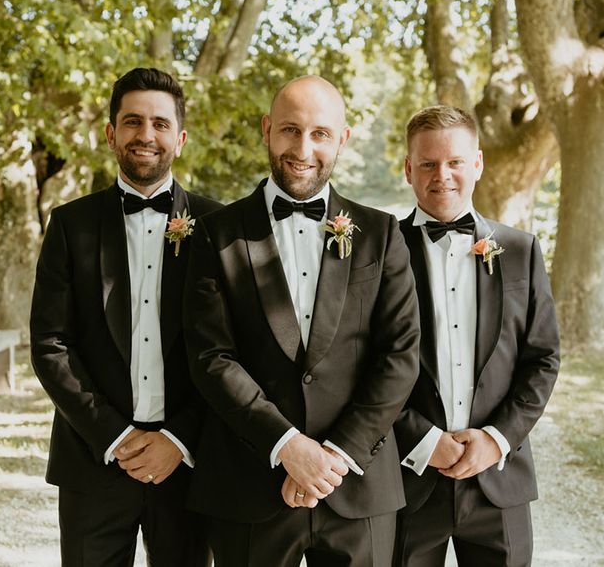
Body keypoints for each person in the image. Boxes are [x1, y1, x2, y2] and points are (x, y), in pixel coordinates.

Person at [182, 75, 421, 567]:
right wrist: (288, 447)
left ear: (343, 139)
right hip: (249, 487)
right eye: (290, 130)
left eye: (320, 133)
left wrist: (333, 457)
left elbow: (399, 355)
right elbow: (211, 357)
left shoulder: (380, 234)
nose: (303, 148)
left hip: (357, 486)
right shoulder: (216, 235)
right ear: (267, 129)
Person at [30, 67, 219, 566]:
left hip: (188, 464)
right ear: (112, 133)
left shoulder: (217, 226)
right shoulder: (70, 225)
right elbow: (51, 344)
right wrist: (116, 437)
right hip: (93, 461)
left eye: (159, 124)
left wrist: (178, 438)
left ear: (179, 138)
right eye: (133, 122)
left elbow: (230, 350)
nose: (146, 135)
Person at [393, 105, 560, 567]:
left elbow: (542, 360)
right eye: (427, 163)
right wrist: (423, 441)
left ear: (478, 163)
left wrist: (497, 438)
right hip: (408, 480)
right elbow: (363, 363)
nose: (441, 175)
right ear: (408, 169)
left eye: (455, 162)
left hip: (498, 484)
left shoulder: (521, 250)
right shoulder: (380, 251)